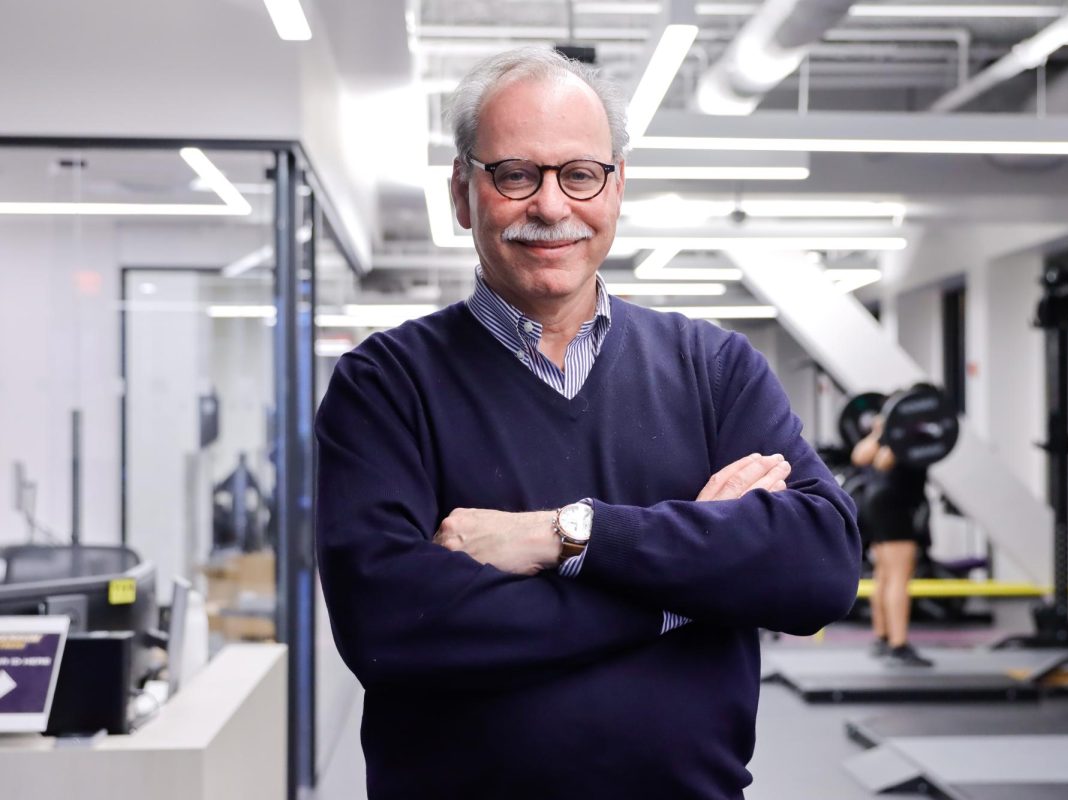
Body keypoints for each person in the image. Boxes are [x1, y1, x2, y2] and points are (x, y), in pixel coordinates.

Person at [315, 46, 861, 799]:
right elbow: (394, 630)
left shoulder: (716, 369)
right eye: (515, 174)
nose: (550, 206)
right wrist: (684, 589)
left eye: (579, 173)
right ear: (462, 193)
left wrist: (567, 536)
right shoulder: (384, 385)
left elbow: (819, 569)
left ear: (616, 186)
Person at [851, 414, 934, 667]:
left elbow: (860, 457)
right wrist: (888, 433)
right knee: (899, 576)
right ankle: (898, 645)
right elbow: (879, 461)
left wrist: (882, 432)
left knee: (884, 575)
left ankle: (882, 636)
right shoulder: (901, 435)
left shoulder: (890, 435)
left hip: (876, 503)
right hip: (894, 506)